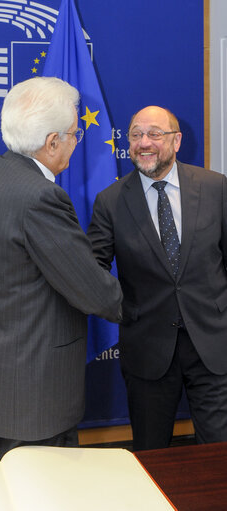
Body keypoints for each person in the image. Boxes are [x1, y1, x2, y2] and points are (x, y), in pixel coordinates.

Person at [0, 76, 123, 459]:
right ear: (51, 143)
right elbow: (92, 290)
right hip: (37, 395)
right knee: (45, 489)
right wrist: (151, 306)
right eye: (73, 135)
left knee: (9, 482)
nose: (76, 143)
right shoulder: (41, 196)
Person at [87, 105, 227, 451]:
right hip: (147, 349)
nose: (143, 143)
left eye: (154, 134)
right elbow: (93, 271)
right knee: (151, 454)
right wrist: (127, 310)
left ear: (177, 141)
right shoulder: (111, 201)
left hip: (213, 345)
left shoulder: (215, 188)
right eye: (136, 134)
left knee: (219, 453)